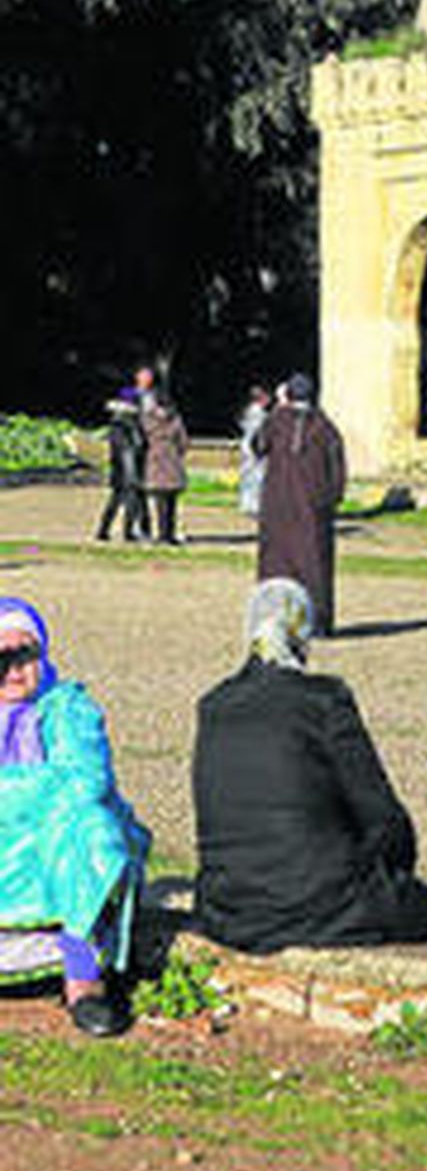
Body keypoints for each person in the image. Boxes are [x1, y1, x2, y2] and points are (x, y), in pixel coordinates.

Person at [193, 580, 427, 954]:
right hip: (324, 908)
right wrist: (390, 874)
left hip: (229, 910)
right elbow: (382, 816)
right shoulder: (324, 700)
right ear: (303, 637)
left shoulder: (214, 706)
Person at [0, 599, 148, 1037]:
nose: (12, 669)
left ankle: (81, 979)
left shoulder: (68, 708)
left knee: (89, 825)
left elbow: (84, 779)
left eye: (23, 655)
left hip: (54, 840)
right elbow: (56, 782)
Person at [255, 374, 346, 636]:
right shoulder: (325, 426)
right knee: (314, 564)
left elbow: (258, 446)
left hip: (278, 505)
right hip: (313, 506)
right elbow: (337, 466)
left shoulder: (276, 421)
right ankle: (318, 623)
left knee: (279, 565)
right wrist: (333, 498)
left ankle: (276, 620)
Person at [95, 389, 148, 542]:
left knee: (115, 501)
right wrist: (133, 475)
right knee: (128, 501)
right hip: (127, 471)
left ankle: (104, 530)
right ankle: (126, 532)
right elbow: (129, 450)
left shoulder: (117, 425)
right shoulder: (126, 426)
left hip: (119, 469)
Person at [141, 386, 188, 546]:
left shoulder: (149, 420)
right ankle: (169, 533)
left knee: (159, 502)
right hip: (172, 461)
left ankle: (161, 534)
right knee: (171, 503)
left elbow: (142, 439)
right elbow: (183, 442)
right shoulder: (175, 420)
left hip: (155, 461)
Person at [237, 385, 271, 518]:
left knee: (248, 477)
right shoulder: (258, 413)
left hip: (248, 446)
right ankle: (253, 505)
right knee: (256, 477)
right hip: (254, 447)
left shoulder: (250, 412)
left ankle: (247, 503)